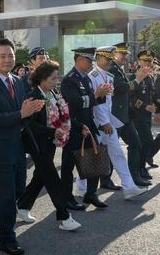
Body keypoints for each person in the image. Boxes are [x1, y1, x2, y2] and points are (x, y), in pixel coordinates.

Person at [0, 38, 44, 255]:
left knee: (17, 191)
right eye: (2, 56)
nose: (7, 59)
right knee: (6, 199)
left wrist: (33, 110)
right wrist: (22, 113)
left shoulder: (18, 81)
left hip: (17, 147)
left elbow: (23, 112)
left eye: (10, 55)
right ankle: (7, 241)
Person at [16, 60, 81, 231]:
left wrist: (79, 126)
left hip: (50, 142)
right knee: (52, 179)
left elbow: (63, 114)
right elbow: (30, 124)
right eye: (53, 78)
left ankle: (22, 206)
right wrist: (52, 132)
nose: (56, 81)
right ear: (43, 79)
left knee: (40, 176)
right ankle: (64, 216)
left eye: (56, 78)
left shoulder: (53, 93)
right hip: (37, 144)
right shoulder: (33, 96)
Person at [87, 46, 148, 199]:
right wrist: (104, 122)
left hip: (111, 120)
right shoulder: (93, 76)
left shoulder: (109, 75)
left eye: (110, 58)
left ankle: (129, 187)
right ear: (99, 59)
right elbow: (97, 103)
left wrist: (110, 121)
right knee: (92, 155)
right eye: (107, 58)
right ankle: (82, 189)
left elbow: (108, 102)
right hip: (99, 123)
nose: (109, 61)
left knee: (117, 154)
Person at [60, 47, 109, 210]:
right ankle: (67, 198)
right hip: (74, 126)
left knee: (95, 159)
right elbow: (75, 103)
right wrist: (96, 95)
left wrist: (103, 94)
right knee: (68, 166)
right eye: (88, 60)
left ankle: (91, 194)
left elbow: (92, 102)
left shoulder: (86, 79)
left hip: (89, 125)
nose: (91, 64)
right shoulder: (69, 80)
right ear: (79, 59)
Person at [106, 42, 151, 187]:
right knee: (112, 149)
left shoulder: (118, 69)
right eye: (123, 54)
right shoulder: (112, 69)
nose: (125, 56)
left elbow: (126, 88)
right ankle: (105, 179)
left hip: (124, 116)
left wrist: (138, 78)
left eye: (126, 54)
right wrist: (137, 79)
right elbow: (121, 88)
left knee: (135, 143)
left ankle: (134, 177)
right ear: (114, 54)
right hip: (116, 116)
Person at [130, 50, 158, 181]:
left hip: (147, 116)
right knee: (146, 141)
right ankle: (139, 169)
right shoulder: (135, 76)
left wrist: (159, 105)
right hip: (137, 115)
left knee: (144, 143)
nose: (147, 63)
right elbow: (131, 98)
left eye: (150, 61)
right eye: (145, 61)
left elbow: (153, 95)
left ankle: (140, 168)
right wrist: (144, 106)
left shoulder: (151, 77)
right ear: (140, 62)